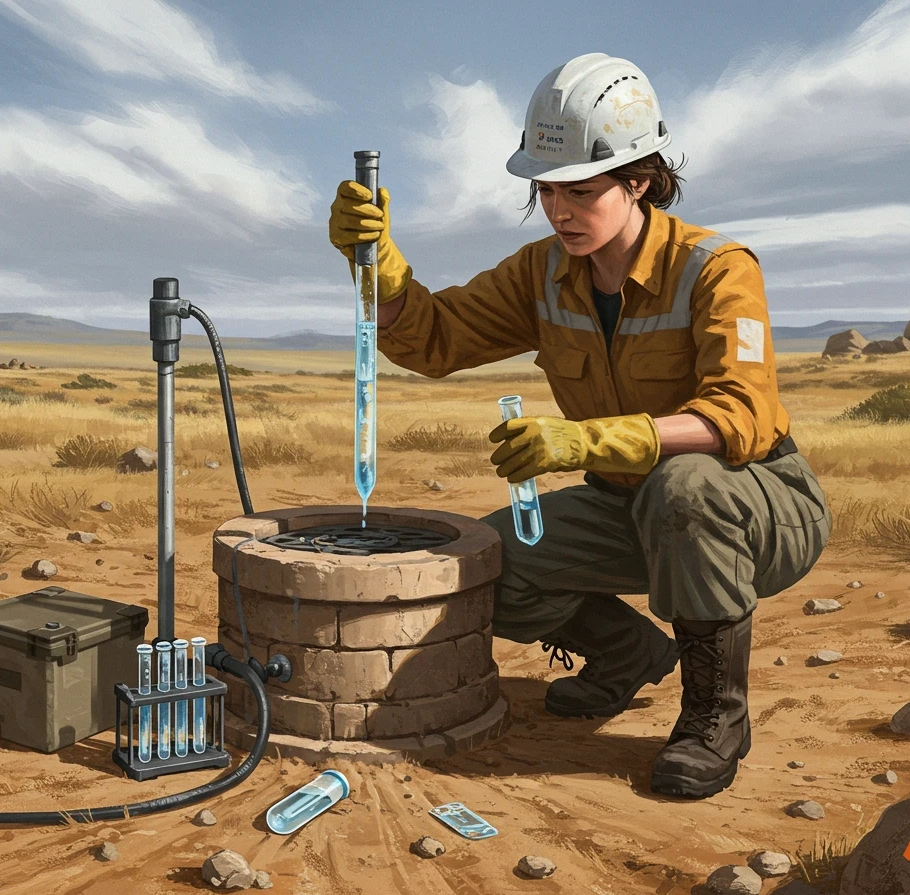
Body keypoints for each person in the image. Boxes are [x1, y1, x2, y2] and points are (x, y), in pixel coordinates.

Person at [327, 53, 830, 799]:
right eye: (545, 189)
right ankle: (628, 655)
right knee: (491, 565)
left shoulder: (716, 269)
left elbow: (743, 418)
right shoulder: (542, 273)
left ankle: (713, 718)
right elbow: (432, 339)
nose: (559, 209)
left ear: (639, 180)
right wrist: (382, 272)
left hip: (754, 504)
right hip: (627, 502)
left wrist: (585, 440)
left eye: (580, 191)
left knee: (685, 487)